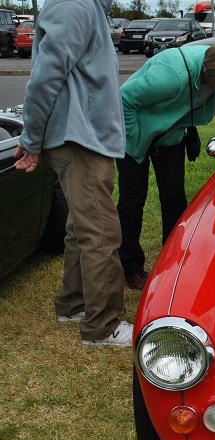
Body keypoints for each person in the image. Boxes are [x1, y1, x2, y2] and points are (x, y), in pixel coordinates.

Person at [14, 0, 132, 348]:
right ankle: (102, 326)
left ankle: (74, 304)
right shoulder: (75, 5)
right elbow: (44, 77)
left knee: (83, 228)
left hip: (86, 137)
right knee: (100, 232)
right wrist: (32, 139)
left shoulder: (86, 5)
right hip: (79, 138)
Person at [116, 40, 215, 290]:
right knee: (133, 200)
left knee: (174, 198)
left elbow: (186, 102)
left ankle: (173, 262)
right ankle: (130, 268)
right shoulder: (170, 74)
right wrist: (132, 137)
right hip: (134, 136)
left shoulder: (213, 75)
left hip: (169, 136)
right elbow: (124, 99)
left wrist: (188, 129)